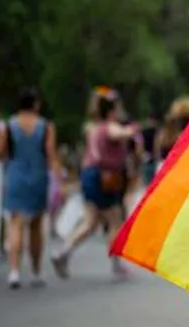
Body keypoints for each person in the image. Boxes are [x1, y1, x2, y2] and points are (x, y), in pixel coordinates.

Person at [51, 92, 139, 281]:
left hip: (90, 175)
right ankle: (117, 263)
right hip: (104, 177)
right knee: (115, 220)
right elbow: (118, 134)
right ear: (112, 111)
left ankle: (63, 252)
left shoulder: (93, 128)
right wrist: (132, 130)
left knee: (90, 222)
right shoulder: (109, 127)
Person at [0, 87, 60, 289]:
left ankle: (14, 271)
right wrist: (58, 180)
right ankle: (36, 272)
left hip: (15, 177)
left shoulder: (8, 126)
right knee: (36, 226)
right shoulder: (46, 127)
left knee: (16, 224)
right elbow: (51, 155)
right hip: (38, 177)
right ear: (36, 104)